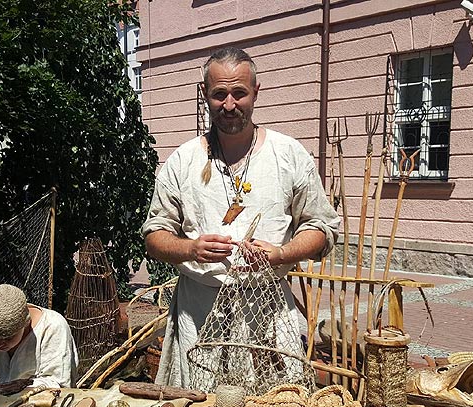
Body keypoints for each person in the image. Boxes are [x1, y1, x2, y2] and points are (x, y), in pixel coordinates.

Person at [142, 46, 340, 388]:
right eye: (219, 94)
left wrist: (281, 254)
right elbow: (154, 234)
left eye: (239, 93)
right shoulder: (183, 160)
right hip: (198, 314)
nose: (229, 105)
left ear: (256, 93)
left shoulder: (288, 155)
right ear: (205, 94)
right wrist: (190, 249)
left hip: (268, 313)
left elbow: (322, 229)